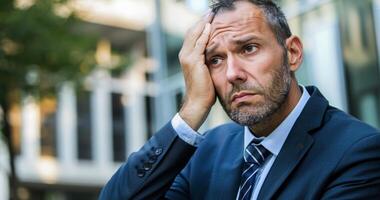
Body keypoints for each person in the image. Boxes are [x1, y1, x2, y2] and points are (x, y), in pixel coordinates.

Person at [99, 0, 380, 199]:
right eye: (216, 59)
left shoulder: (359, 152)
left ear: (292, 53)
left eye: (248, 48)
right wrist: (191, 111)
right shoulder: (205, 151)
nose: (232, 74)